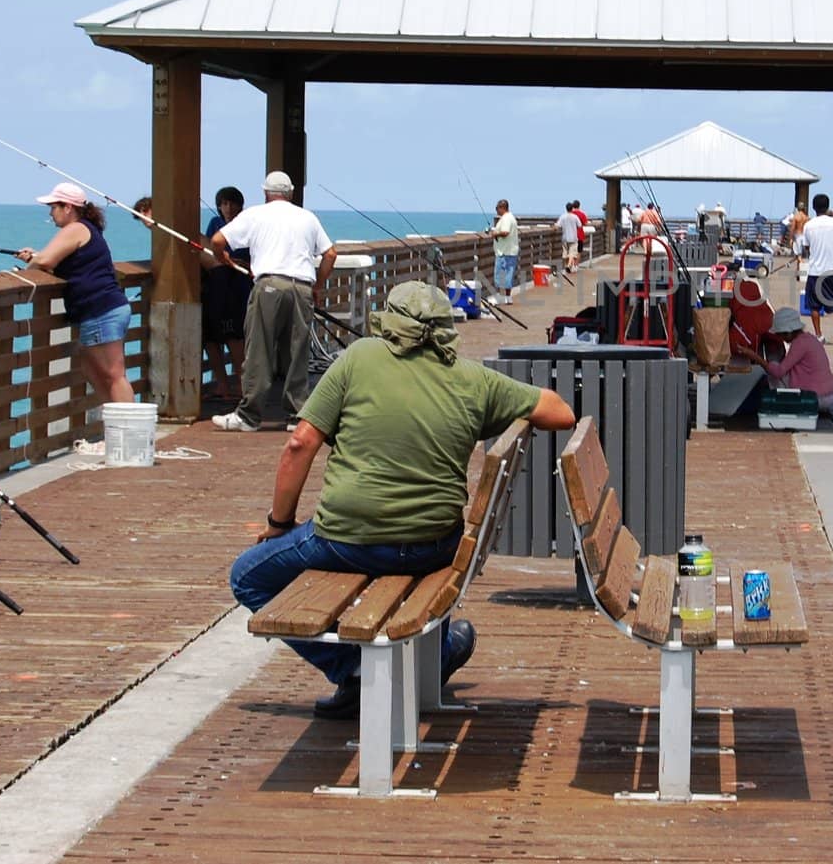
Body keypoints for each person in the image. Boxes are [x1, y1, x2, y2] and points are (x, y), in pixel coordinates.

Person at [229, 281, 577, 719]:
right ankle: (440, 651)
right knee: (429, 548)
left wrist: (280, 524)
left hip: (348, 542)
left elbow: (300, 444)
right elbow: (560, 411)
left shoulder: (358, 359)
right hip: (435, 546)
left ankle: (352, 669)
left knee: (246, 577)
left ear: (387, 323)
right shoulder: (471, 378)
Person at [210, 171, 337, 433]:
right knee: (297, 351)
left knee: (259, 349)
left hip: (268, 285)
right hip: (301, 286)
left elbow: (217, 240)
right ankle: (296, 415)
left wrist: (224, 260)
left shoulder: (256, 214)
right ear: (290, 193)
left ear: (266, 193)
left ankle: (249, 415)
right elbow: (330, 254)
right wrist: (318, 285)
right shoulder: (307, 217)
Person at [16, 182, 134, 404]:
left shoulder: (76, 228)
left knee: (114, 375)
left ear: (68, 207)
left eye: (53, 207)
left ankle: (129, 435)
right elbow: (61, 262)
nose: (51, 213)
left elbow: (47, 260)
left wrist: (33, 261)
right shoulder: (87, 228)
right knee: (93, 371)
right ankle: (113, 431)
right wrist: (37, 257)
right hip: (102, 309)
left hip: (101, 310)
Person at [736, 306, 833, 412]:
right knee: (776, 369)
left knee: (773, 375)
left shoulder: (799, 344)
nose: (781, 339)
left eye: (781, 335)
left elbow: (778, 372)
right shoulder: (810, 339)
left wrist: (756, 357)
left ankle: (780, 405)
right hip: (828, 394)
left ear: (788, 332)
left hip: (815, 398)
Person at [203, 186, 253, 399]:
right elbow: (207, 249)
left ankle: (242, 384)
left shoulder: (249, 225)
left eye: (232, 203)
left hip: (239, 286)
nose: (228, 207)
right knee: (211, 337)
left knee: (235, 335)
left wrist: (241, 263)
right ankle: (222, 384)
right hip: (216, 285)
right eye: (224, 203)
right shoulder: (215, 224)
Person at [797, 193, 833, 345]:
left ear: (813, 208)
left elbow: (806, 246)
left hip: (814, 270)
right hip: (832, 269)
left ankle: (818, 335)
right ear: (827, 206)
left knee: (814, 305)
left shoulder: (809, 225)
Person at [488, 198, 520, 303]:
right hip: (511, 250)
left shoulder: (506, 218)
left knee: (499, 275)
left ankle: (499, 297)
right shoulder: (511, 218)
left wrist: (495, 234)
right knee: (509, 275)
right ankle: (508, 298)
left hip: (504, 252)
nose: (496, 210)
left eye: (497, 208)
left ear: (502, 208)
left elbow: (505, 232)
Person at [556, 202, 583, 273]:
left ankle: (566, 266)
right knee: (572, 253)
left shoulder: (562, 216)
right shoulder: (575, 217)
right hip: (573, 238)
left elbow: (558, 226)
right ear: (572, 208)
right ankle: (568, 266)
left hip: (564, 237)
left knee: (565, 253)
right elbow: (580, 225)